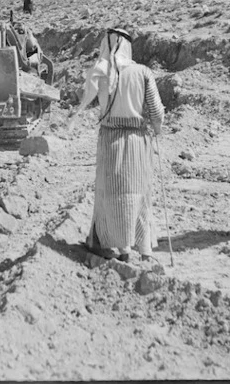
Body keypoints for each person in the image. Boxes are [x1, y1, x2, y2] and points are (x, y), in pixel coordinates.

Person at [68, 28, 165, 263]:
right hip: (136, 141)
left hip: (110, 141)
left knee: (111, 196)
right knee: (139, 193)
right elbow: (156, 112)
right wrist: (157, 131)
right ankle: (144, 250)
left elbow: (87, 100)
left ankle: (121, 250)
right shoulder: (142, 72)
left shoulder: (100, 73)